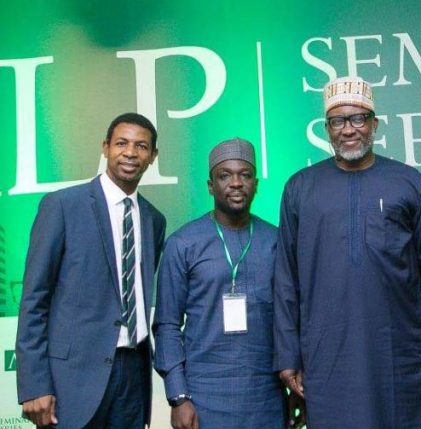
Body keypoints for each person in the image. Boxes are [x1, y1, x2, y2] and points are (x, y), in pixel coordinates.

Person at [273, 76, 421, 429]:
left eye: (358, 119)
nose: (348, 130)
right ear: (326, 128)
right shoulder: (300, 187)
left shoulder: (408, 182)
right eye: (338, 121)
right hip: (327, 353)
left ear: (375, 124)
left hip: (401, 349)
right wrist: (288, 354)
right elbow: (285, 279)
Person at [15, 113, 166, 429]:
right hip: (73, 380)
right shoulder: (62, 206)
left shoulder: (154, 220)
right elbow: (34, 300)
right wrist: (34, 385)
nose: (130, 153)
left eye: (141, 146)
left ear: (152, 156)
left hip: (133, 376)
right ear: (105, 147)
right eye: (121, 143)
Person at [153, 138, 303, 429]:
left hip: (266, 396)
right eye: (225, 175)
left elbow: (293, 317)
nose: (236, 183)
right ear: (210, 186)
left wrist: (296, 386)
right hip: (202, 396)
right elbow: (167, 325)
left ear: (256, 184)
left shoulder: (277, 242)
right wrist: (178, 396)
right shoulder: (183, 244)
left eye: (245, 175)